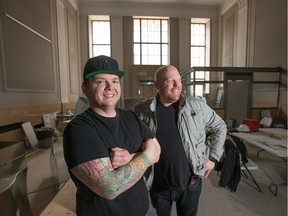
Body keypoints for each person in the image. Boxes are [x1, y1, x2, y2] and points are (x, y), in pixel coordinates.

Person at [63, 55, 161, 216]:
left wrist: (132, 157)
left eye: (115, 81)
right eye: (100, 81)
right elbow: (110, 188)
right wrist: (146, 157)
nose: (110, 87)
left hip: (145, 209)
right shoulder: (79, 129)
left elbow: (157, 149)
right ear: (85, 87)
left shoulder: (130, 116)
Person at [134, 65, 227, 216]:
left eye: (179, 80)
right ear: (157, 84)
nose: (177, 85)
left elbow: (220, 126)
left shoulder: (197, 107)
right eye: (171, 81)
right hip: (158, 186)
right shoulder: (142, 110)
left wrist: (213, 158)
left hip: (190, 183)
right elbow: (134, 142)